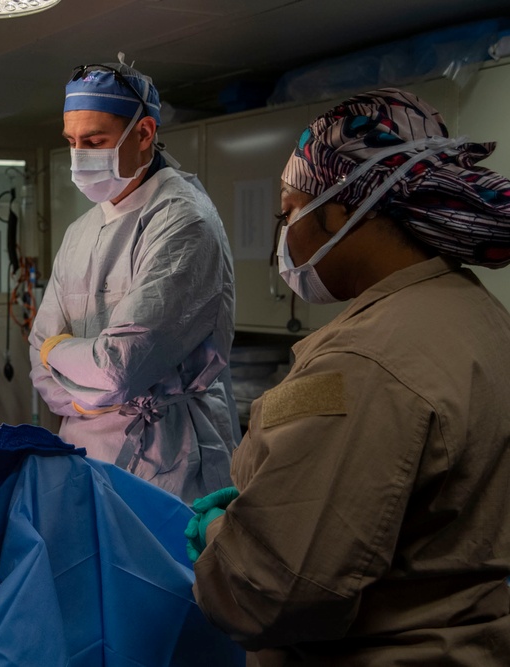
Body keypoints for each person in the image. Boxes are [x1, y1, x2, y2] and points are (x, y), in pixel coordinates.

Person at [188, 88, 510, 665]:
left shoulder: (364, 364)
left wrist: (222, 535)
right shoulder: (478, 315)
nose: (283, 236)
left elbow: (269, 594)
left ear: (341, 208)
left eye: (288, 212)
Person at [29, 56, 240, 504]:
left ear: (144, 133)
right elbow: (38, 364)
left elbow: (119, 366)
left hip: (171, 461)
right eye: (71, 141)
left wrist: (58, 353)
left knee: (170, 570)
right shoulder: (80, 231)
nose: (80, 155)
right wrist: (83, 384)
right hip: (86, 455)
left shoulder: (183, 221)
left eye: (95, 140)